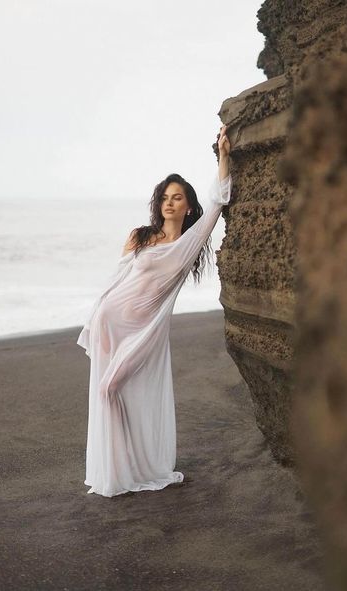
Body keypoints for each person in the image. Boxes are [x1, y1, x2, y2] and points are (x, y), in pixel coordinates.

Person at [77, 125, 232, 497]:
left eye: (177, 198)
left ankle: (130, 469)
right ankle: (117, 471)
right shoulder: (141, 236)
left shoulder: (190, 244)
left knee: (111, 388)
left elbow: (217, 202)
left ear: (187, 205)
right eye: (165, 197)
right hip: (110, 323)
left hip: (143, 331)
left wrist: (224, 154)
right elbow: (116, 279)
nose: (169, 203)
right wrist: (95, 316)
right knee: (108, 391)